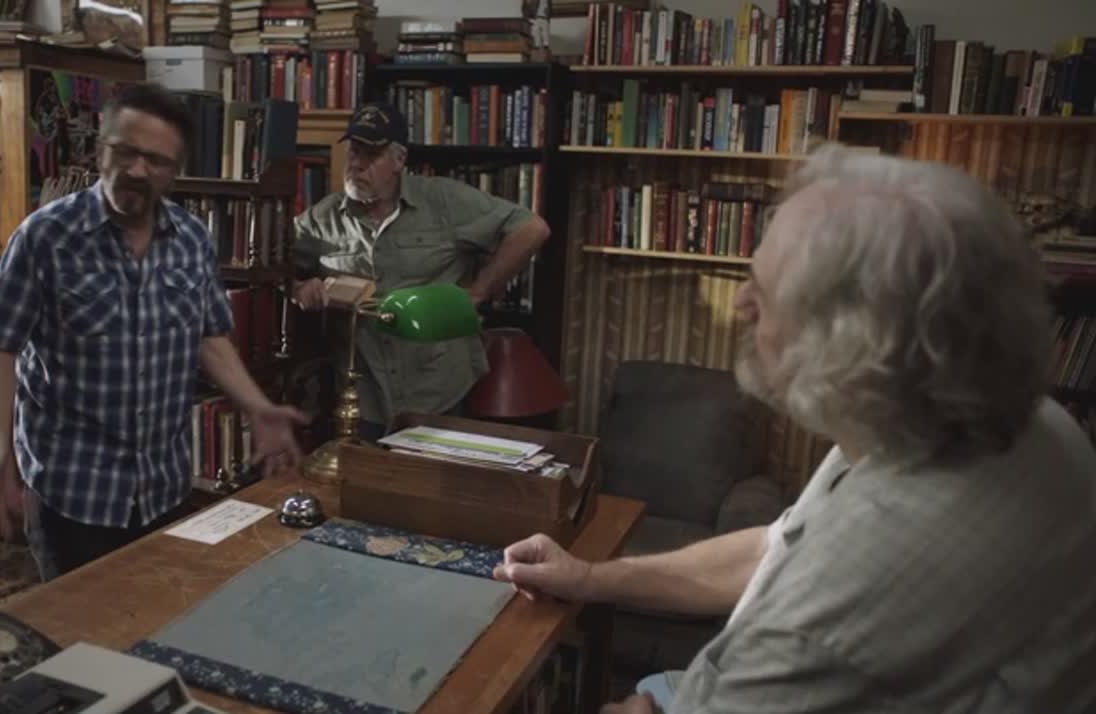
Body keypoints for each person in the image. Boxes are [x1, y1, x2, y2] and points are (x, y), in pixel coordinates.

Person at [493, 144, 1096, 713]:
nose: (740, 304)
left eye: (762, 292)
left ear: (850, 343)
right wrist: (589, 578)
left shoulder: (826, 619)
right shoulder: (1009, 418)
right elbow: (775, 550)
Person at [0, 84, 309, 582]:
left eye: (156, 160)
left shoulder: (191, 240)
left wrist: (257, 406)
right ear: (99, 149)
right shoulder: (45, 237)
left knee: (157, 612)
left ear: (174, 170)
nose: (137, 170)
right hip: (72, 493)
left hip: (163, 488)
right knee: (78, 625)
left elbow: (210, 338)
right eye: (125, 151)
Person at [288, 101, 551, 440]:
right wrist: (298, 288)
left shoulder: (443, 201)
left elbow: (532, 229)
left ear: (399, 160)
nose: (357, 164)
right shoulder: (322, 219)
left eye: (371, 155)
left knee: (430, 473)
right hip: (361, 395)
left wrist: (479, 291)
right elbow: (274, 267)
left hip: (437, 390)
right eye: (354, 152)